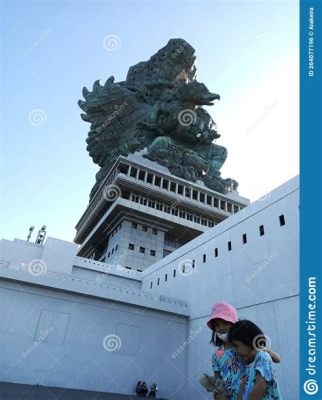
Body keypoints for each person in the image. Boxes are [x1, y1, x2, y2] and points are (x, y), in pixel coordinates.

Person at [202, 303, 281, 400]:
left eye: (225, 323)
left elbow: (276, 360)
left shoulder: (248, 349)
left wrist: (261, 350)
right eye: (217, 325)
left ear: (235, 325)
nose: (221, 327)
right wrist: (219, 393)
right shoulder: (216, 355)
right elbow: (218, 382)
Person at [228, 319, 282, 399]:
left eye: (236, 346)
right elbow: (243, 388)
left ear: (247, 340)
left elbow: (260, 387)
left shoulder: (262, 356)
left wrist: (264, 350)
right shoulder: (248, 364)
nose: (235, 351)